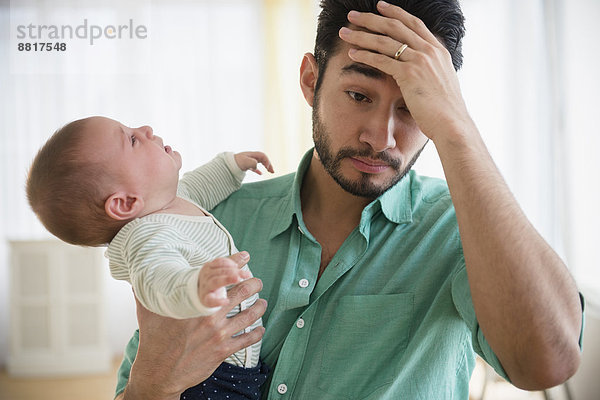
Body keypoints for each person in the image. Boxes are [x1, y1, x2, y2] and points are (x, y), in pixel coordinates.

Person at [114, 1, 585, 399]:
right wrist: (153, 380)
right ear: (309, 79)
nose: (380, 138)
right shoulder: (208, 221)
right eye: (359, 95)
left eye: (413, 107)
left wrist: (457, 130)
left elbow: (549, 363)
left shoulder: (461, 231)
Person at [26, 116, 274, 400]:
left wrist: (230, 167)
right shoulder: (147, 237)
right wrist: (196, 286)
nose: (145, 130)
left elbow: (199, 186)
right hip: (207, 378)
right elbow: (159, 281)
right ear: (126, 202)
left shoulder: (170, 203)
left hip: (227, 365)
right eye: (132, 139)